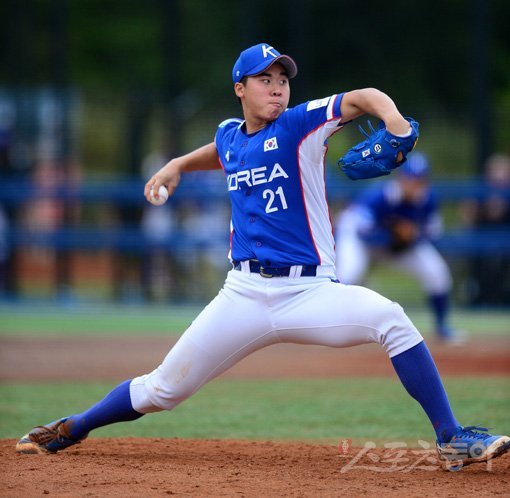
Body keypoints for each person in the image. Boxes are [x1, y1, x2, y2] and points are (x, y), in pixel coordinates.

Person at [15, 42, 509, 470]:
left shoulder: (299, 126)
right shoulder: (232, 134)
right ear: (239, 88)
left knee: (393, 318)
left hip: (309, 291)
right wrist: (177, 165)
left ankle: (451, 438)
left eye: (282, 80)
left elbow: (362, 98)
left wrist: (395, 121)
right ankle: (73, 427)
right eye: (264, 79)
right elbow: (222, 149)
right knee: (161, 390)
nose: (277, 88)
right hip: (244, 294)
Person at [334, 151, 461, 343]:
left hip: (399, 248)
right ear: (401, 179)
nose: (414, 184)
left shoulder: (426, 200)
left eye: (419, 180)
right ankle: (335, 324)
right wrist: (393, 232)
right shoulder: (382, 196)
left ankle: (442, 327)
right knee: (349, 274)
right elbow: (362, 230)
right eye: (411, 179)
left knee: (437, 272)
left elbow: (433, 232)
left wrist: (410, 234)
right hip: (362, 243)